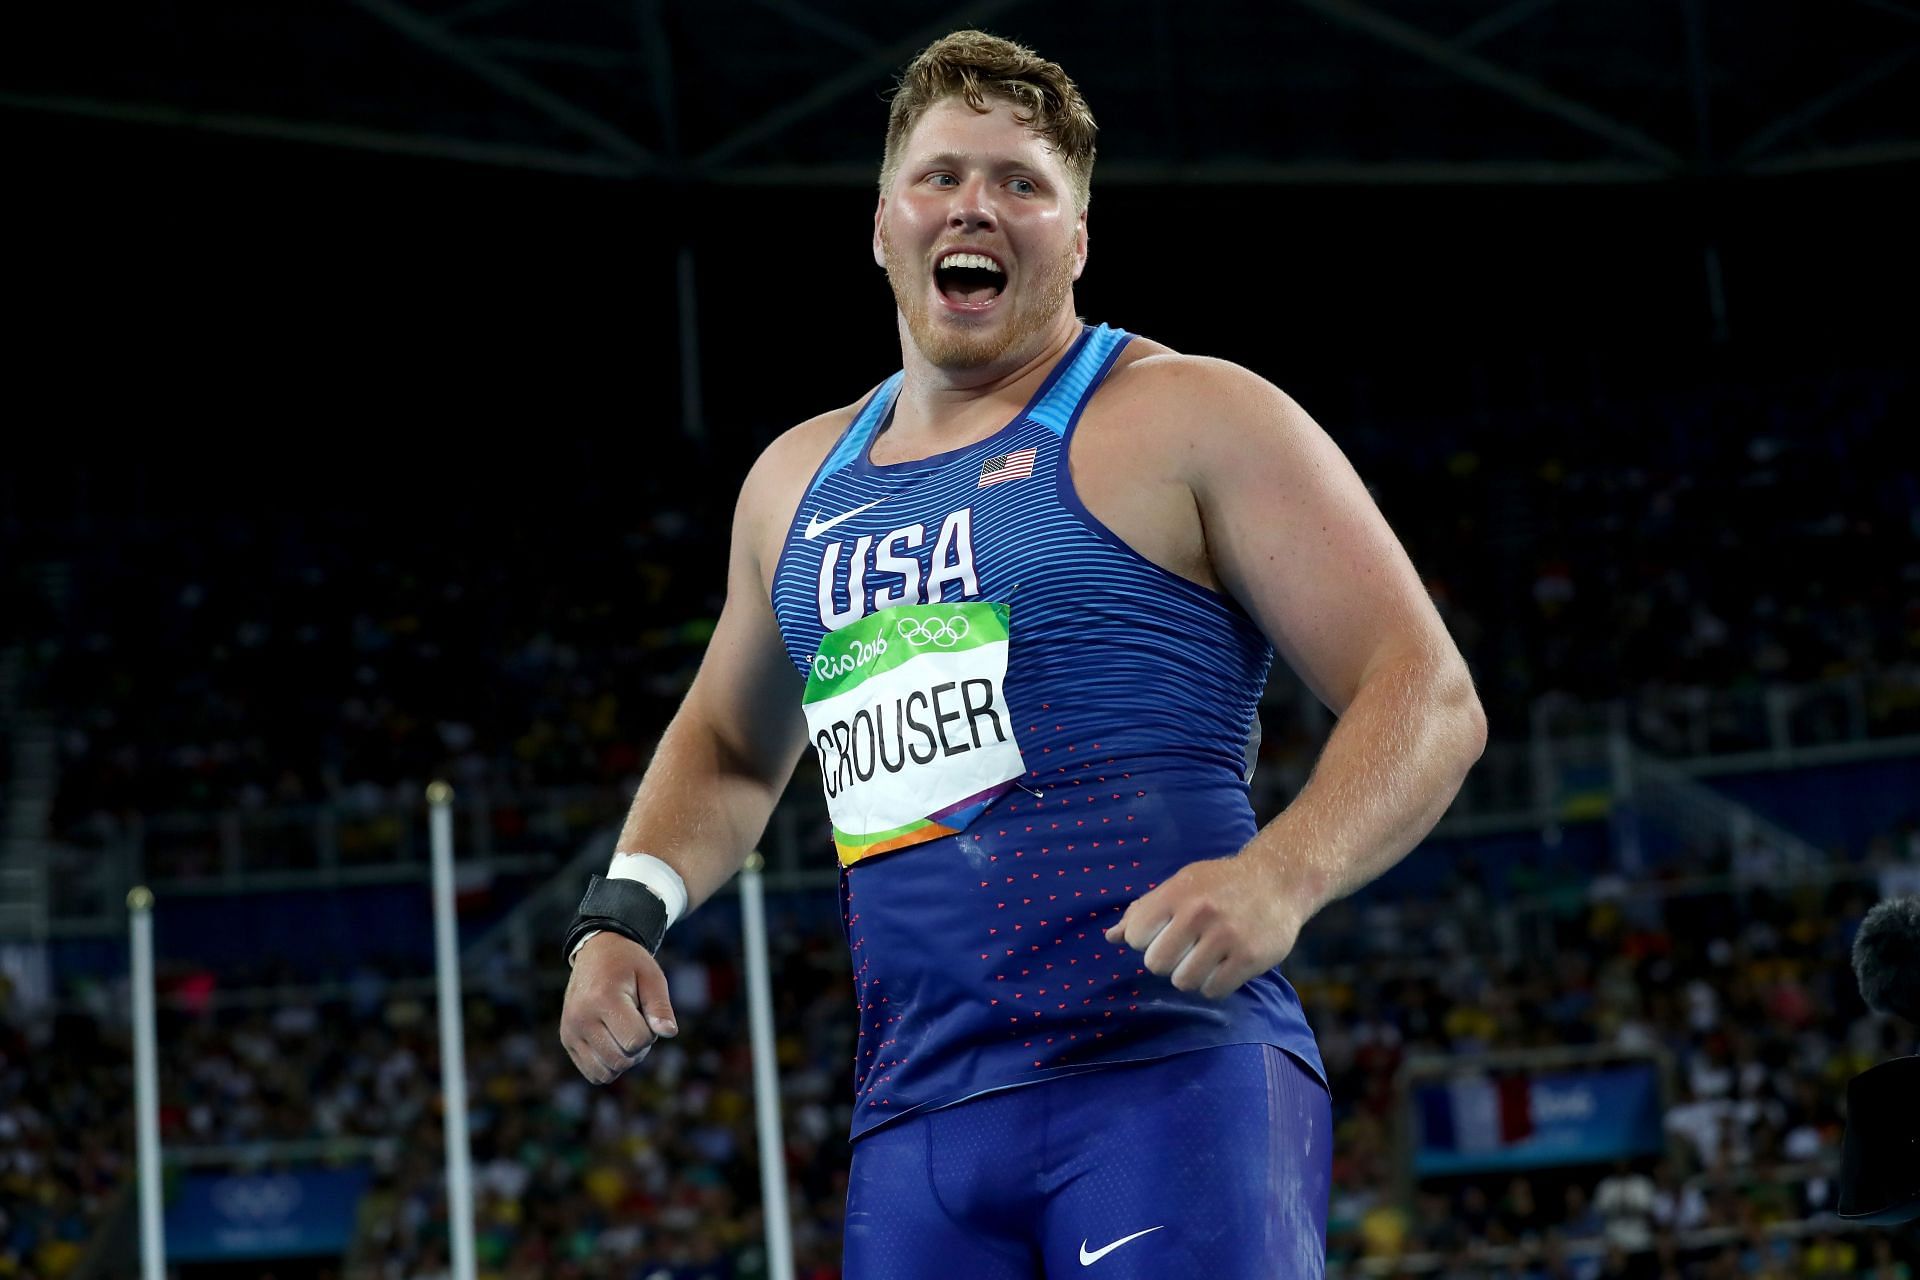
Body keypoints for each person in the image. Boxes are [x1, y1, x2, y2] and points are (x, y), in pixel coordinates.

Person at [559, 28, 1485, 1279]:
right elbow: (730, 743)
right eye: (941, 176)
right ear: (883, 223)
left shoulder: (1188, 414)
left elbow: (1425, 692)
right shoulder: (794, 484)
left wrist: (1284, 874)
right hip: (918, 1124)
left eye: (1021, 182)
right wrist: (625, 912)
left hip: (1165, 1074)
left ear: (1078, 236)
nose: (974, 206)